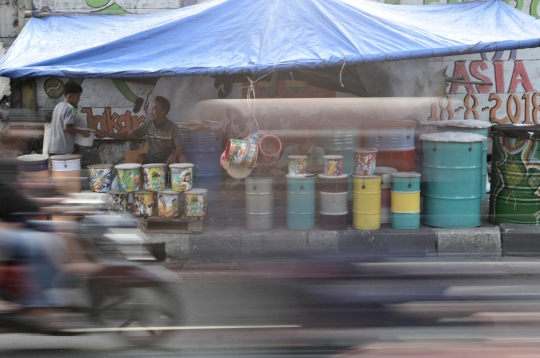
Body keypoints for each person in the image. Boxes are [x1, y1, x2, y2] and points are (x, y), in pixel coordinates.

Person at [96, 96, 187, 165]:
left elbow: (180, 148)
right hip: (152, 158)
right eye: (152, 108)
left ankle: (184, 184)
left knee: (182, 158)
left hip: (167, 158)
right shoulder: (148, 125)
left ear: (163, 112)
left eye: (155, 109)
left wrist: (173, 156)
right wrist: (107, 134)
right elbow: (128, 134)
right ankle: (139, 186)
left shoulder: (173, 127)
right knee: (139, 158)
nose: (151, 111)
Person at [47, 82, 91, 156]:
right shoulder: (70, 108)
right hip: (62, 148)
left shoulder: (58, 106)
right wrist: (82, 132)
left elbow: (63, 125)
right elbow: (67, 128)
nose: (78, 100)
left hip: (52, 147)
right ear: (70, 96)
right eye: (77, 97)